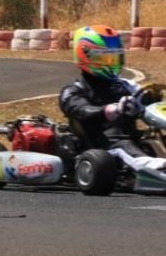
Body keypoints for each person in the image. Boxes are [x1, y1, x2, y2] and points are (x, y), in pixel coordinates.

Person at [59, 25, 166, 172]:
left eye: (114, 57)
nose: (110, 63)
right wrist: (110, 109)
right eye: (104, 58)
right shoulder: (73, 90)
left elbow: (148, 103)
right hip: (102, 146)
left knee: (152, 139)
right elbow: (81, 109)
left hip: (132, 139)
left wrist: (147, 103)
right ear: (85, 55)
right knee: (123, 147)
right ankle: (154, 169)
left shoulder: (126, 85)